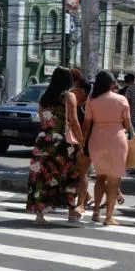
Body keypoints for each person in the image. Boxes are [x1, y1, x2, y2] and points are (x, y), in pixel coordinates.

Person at [27, 67, 83, 224]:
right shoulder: (68, 96)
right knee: (69, 176)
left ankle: (40, 214)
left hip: (43, 141)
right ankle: (72, 213)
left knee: (42, 177)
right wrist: (81, 141)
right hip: (62, 143)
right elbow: (73, 121)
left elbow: (43, 121)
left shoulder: (44, 98)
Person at [83, 71, 134, 225]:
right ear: (111, 83)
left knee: (100, 177)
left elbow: (86, 125)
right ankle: (109, 216)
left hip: (96, 139)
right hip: (116, 140)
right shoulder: (121, 99)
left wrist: (82, 143)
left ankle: (96, 211)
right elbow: (127, 124)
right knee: (113, 180)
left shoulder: (91, 100)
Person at [70, 68, 92, 210]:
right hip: (73, 140)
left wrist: (82, 143)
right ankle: (86, 197)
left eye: (75, 87)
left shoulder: (88, 105)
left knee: (82, 173)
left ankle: (81, 203)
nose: (72, 89)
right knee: (76, 172)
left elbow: (85, 125)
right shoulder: (71, 101)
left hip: (84, 141)